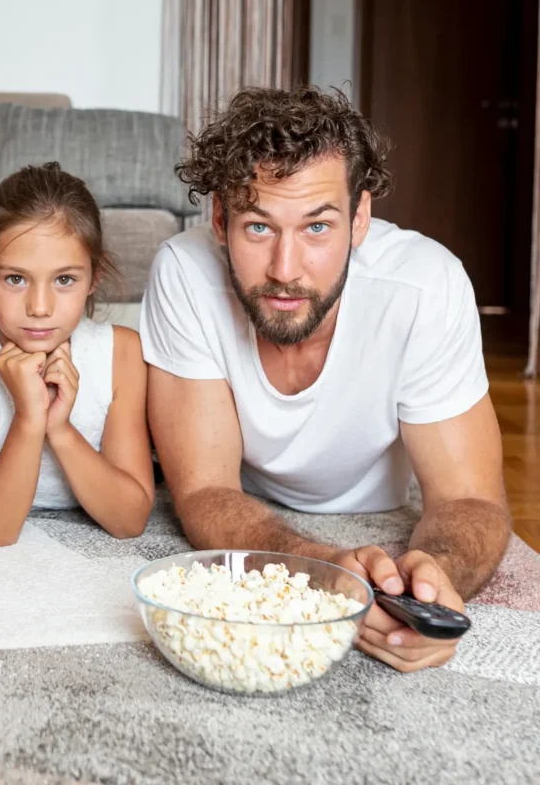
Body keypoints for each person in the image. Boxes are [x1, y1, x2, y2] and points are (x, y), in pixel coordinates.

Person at [141, 86, 510, 674]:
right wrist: (319, 569)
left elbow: (470, 499)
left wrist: (435, 576)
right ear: (220, 219)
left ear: (360, 219)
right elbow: (206, 491)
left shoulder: (424, 288)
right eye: (258, 228)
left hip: (381, 506)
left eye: (317, 227)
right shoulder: (184, 273)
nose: (285, 270)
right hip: (250, 500)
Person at [0, 162, 154, 545]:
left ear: (95, 276)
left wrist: (58, 427)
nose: (39, 307)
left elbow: (129, 521)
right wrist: (29, 417)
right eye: (15, 278)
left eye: (64, 279)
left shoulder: (122, 353)